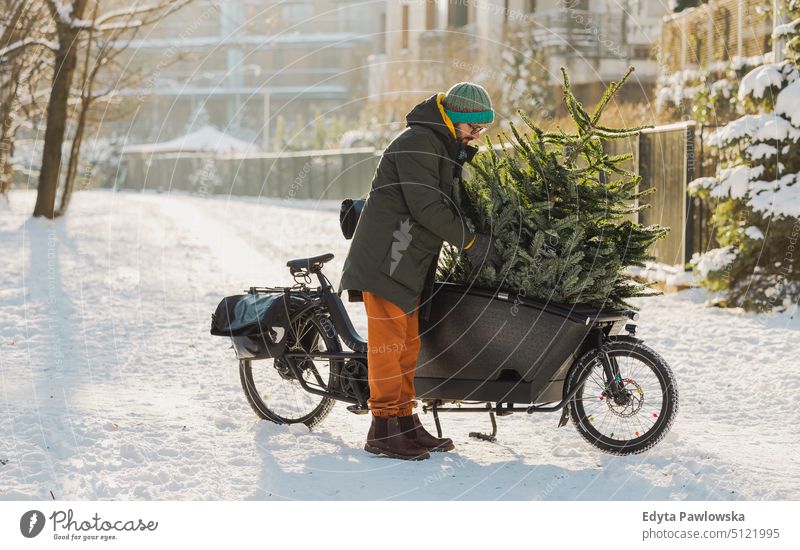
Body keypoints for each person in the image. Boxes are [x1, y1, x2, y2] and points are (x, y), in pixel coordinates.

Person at [339, 82, 501, 460]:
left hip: (407, 261)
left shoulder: (441, 146)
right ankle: (382, 428)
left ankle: (404, 422)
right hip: (387, 259)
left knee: (407, 346)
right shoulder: (419, 142)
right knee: (388, 346)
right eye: (473, 128)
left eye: (482, 130)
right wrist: (473, 243)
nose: (477, 136)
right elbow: (426, 206)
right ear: (453, 119)